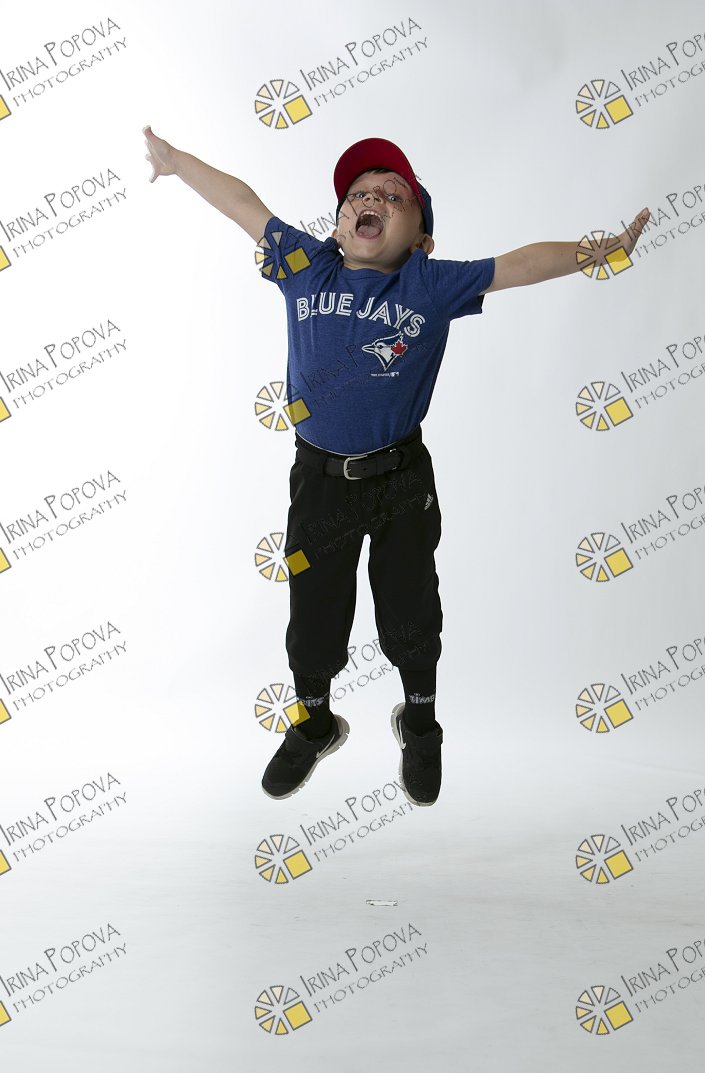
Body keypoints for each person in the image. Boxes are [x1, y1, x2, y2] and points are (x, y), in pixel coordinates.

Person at [143, 125, 649, 808]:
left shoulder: (428, 284)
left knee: (410, 607)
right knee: (314, 611)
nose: (370, 199)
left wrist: (603, 249)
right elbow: (242, 203)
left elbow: (522, 264)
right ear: (340, 223)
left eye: (393, 196)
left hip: (401, 479)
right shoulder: (307, 266)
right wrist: (176, 162)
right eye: (357, 194)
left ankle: (420, 719)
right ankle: (315, 722)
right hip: (319, 480)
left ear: (421, 238)